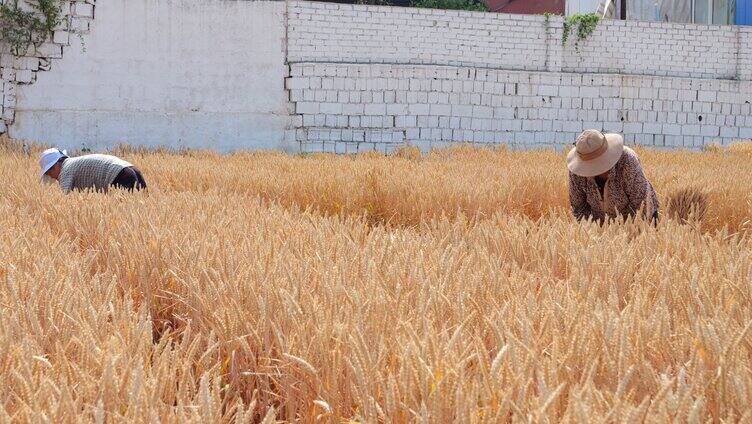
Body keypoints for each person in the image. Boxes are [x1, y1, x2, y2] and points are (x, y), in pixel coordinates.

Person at [567, 129, 659, 224]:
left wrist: (631, 231)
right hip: (600, 224)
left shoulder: (627, 161)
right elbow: (579, 207)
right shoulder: (576, 171)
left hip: (639, 217)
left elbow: (641, 202)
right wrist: (592, 232)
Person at [39, 148, 147, 193]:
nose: (52, 177)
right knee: (143, 207)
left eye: (49, 172)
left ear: (56, 164)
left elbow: (66, 200)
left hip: (120, 176)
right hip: (131, 169)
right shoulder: (73, 163)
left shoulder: (66, 171)